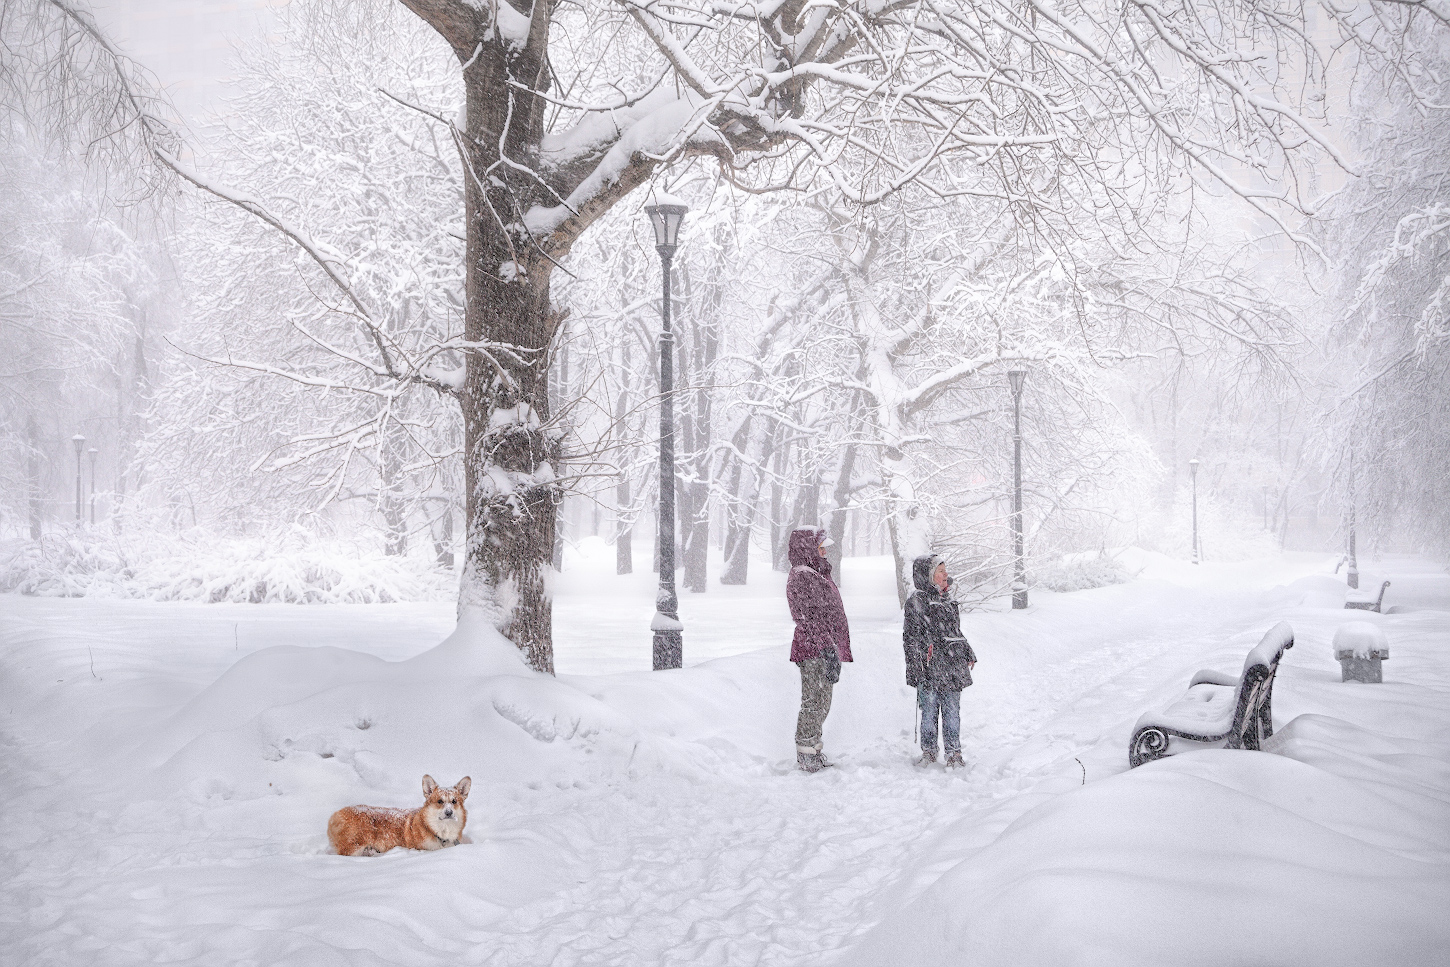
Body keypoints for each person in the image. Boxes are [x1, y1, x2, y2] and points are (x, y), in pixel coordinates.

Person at [786, 526, 853, 773]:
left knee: (823, 700)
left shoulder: (817, 573)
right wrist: (826, 647)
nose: (825, 552)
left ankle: (814, 748)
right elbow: (811, 617)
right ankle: (806, 752)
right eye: (821, 547)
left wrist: (833, 647)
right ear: (808, 548)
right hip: (813, 648)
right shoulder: (804, 575)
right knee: (814, 701)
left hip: (824, 646)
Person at [903, 554, 976, 767]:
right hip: (929, 668)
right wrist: (917, 662)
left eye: (945, 570)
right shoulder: (917, 602)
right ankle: (928, 751)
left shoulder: (949, 600)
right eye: (940, 571)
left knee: (952, 712)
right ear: (928, 576)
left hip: (952, 666)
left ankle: (954, 753)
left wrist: (968, 652)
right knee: (928, 713)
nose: (946, 575)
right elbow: (910, 637)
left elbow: (955, 631)